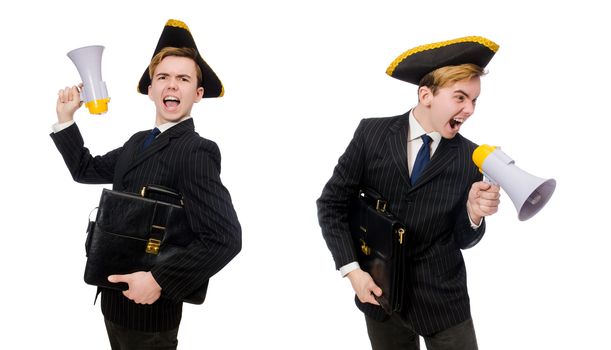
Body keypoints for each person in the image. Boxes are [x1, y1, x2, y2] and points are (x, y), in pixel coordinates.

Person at [51, 19, 241, 349]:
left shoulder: (196, 151)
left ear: (198, 94)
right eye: (163, 77)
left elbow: (225, 239)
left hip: (150, 314)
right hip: (112, 301)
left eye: (183, 79)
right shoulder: (137, 141)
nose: (172, 85)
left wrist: (159, 280)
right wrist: (66, 119)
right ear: (150, 89)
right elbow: (85, 169)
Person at [317, 36, 502, 350]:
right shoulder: (371, 134)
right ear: (426, 94)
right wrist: (353, 272)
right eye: (460, 97)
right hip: (380, 294)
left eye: (474, 100)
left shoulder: (469, 159)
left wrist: (473, 215)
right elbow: (332, 204)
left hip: (443, 302)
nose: (469, 109)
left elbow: (463, 239)